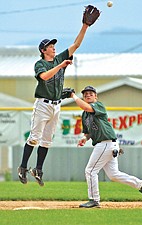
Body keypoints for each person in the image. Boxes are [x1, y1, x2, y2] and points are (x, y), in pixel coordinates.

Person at [18, 5, 100, 186]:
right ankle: (23, 167)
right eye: (50, 46)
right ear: (43, 50)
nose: (53, 48)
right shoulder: (40, 64)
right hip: (42, 105)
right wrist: (61, 66)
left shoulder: (58, 59)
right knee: (34, 137)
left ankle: (38, 170)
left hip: (56, 105)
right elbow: (44, 77)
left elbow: (76, 44)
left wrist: (85, 26)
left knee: (47, 140)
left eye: (54, 45)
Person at [71, 86, 142, 208]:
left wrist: (73, 96)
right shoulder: (84, 115)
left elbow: (85, 106)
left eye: (91, 93)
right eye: (85, 94)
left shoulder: (99, 105)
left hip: (105, 143)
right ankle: (141, 185)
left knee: (90, 171)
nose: (88, 95)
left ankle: (94, 200)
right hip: (107, 144)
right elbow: (88, 132)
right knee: (113, 174)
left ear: (95, 96)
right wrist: (84, 138)